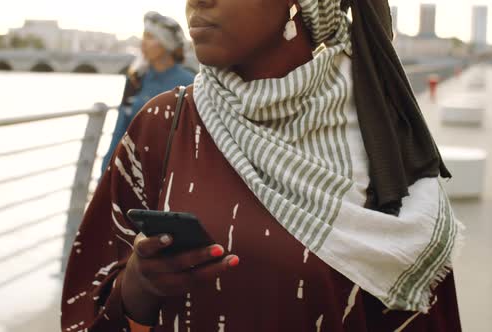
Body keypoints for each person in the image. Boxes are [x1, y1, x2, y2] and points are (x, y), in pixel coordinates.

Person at [62, 0, 464, 331]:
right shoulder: (162, 125)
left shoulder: (383, 140)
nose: (196, 3)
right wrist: (136, 291)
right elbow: (87, 304)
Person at [101, 11, 195, 174]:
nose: (144, 42)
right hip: (131, 171)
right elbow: (120, 129)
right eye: (144, 36)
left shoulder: (189, 82)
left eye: (151, 37)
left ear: (167, 43)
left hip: (169, 174)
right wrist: (105, 172)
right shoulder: (136, 79)